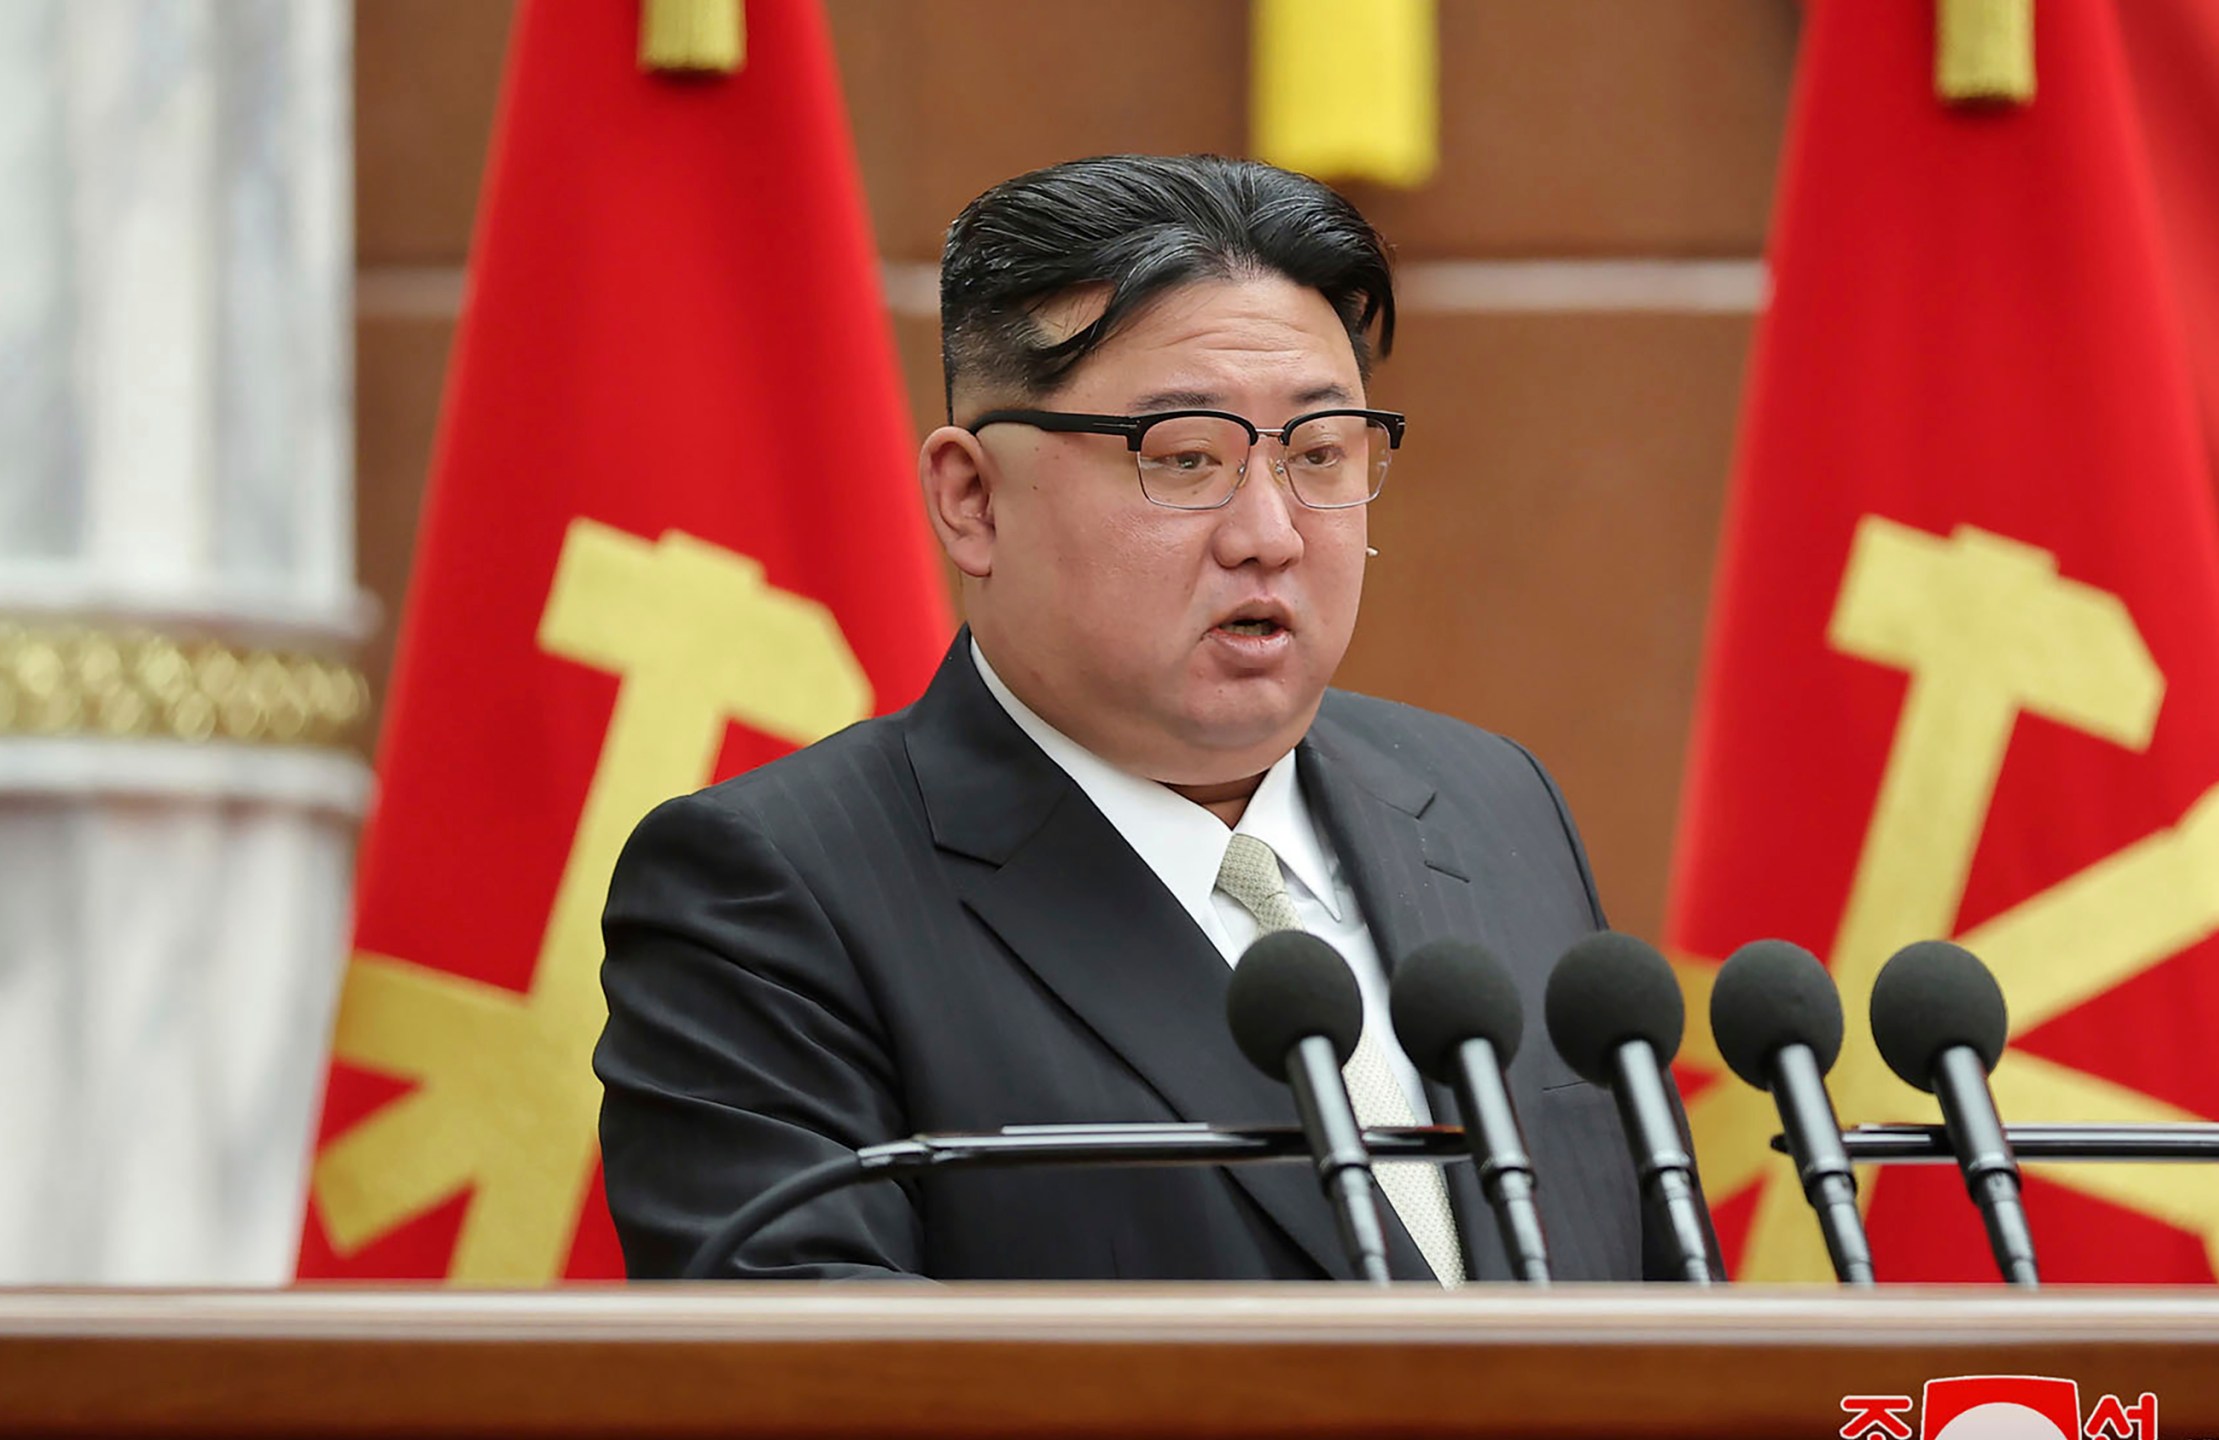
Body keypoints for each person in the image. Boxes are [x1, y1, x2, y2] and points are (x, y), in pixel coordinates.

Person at [596, 153, 1679, 1282]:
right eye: (1186, 458)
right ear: (972, 500)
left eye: (1319, 454)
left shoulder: (1493, 805)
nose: (1270, 534)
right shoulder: (773, 896)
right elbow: (809, 1367)